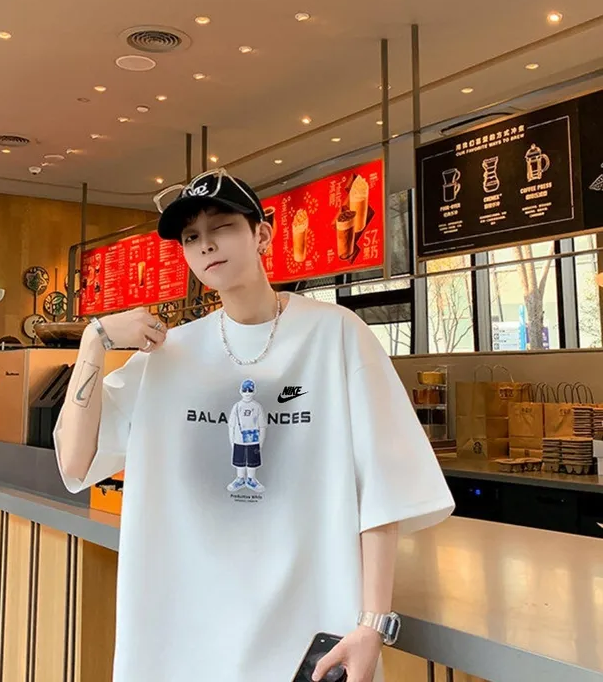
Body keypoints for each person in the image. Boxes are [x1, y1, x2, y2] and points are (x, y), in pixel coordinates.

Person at [54, 169, 454, 682]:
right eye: (191, 237)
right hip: (187, 634)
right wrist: (94, 339)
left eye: (221, 227)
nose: (205, 245)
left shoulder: (335, 334)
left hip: (308, 631)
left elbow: (382, 486)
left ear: (262, 234)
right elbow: (76, 462)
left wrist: (372, 624)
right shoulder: (172, 354)